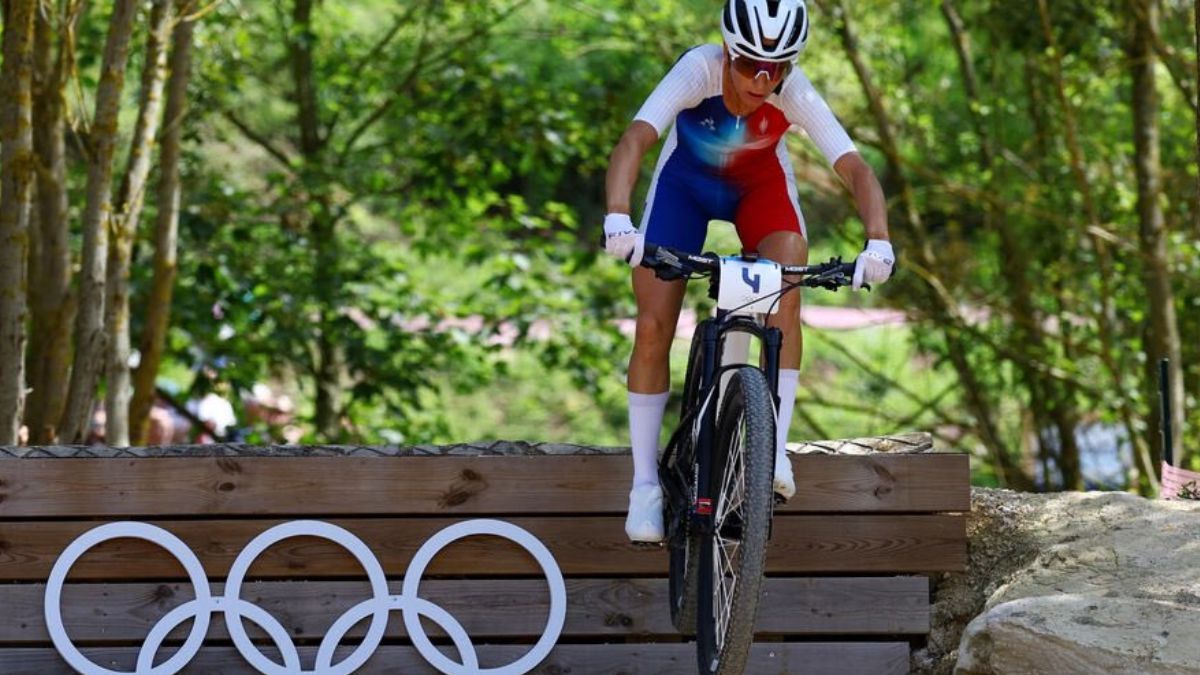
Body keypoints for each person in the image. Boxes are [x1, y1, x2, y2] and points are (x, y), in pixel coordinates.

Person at [604, 0, 896, 542]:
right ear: (728, 52)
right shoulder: (698, 68)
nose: (763, 80)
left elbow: (853, 166)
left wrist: (878, 240)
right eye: (749, 66)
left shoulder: (794, 91)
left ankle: (773, 447)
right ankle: (644, 484)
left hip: (756, 192)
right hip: (682, 192)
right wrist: (618, 218)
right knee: (652, 327)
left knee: (789, 284)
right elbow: (635, 140)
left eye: (778, 68)